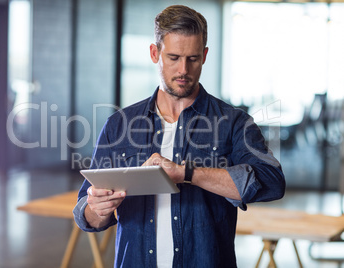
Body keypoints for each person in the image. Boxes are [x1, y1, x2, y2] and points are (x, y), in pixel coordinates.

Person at [74, 5, 285, 268]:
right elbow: (87, 215)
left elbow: (271, 181)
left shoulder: (233, 123)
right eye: (173, 57)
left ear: (205, 55)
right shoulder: (119, 125)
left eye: (193, 59)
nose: (183, 69)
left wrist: (187, 173)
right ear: (155, 53)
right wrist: (97, 208)